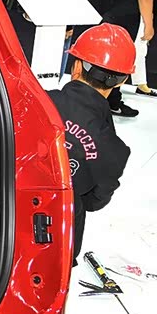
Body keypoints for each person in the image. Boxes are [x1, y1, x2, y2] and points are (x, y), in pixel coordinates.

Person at [47, 24, 135, 264]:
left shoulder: (36, 102)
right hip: (58, 240)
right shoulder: (115, 151)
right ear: (122, 81)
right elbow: (95, 203)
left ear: (76, 66)